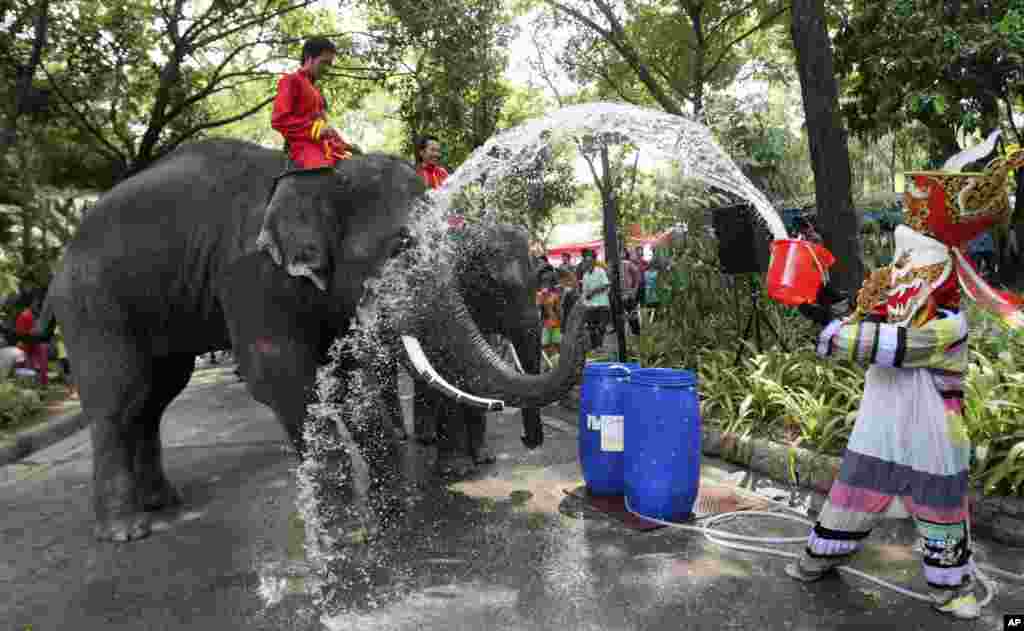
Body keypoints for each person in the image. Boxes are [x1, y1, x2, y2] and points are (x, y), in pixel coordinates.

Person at [787, 155, 1024, 620]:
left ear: (936, 280)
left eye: (910, 271)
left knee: (943, 514)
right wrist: (825, 303)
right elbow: (870, 325)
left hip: (933, 439)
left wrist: (832, 327)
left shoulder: (947, 327)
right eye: (900, 268)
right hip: (880, 432)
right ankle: (816, 560)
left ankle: (951, 588)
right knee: (848, 499)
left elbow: (891, 344)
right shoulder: (895, 313)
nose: (899, 280)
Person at [271, 37, 353, 169]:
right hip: (303, 148)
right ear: (309, 58)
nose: (327, 69)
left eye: (329, 65)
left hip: (327, 147)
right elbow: (279, 120)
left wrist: (345, 144)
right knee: (323, 176)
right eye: (324, 63)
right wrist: (315, 130)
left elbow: (323, 126)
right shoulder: (290, 80)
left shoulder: (317, 92)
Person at [578, 249, 611, 350]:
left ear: (593, 261)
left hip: (602, 304)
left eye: (589, 260)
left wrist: (593, 291)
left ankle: (600, 345)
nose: (587, 262)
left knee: (601, 327)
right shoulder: (585, 275)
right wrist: (583, 302)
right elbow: (584, 292)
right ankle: (595, 348)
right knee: (591, 328)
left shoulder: (600, 271)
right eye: (586, 261)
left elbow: (606, 284)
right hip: (591, 306)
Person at [536, 271, 562, 364]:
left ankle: (556, 363)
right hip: (545, 323)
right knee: (545, 345)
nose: (545, 284)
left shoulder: (555, 296)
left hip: (554, 322)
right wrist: (542, 297)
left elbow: (558, 310)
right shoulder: (539, 295)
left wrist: (561, 322)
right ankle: (551, 363)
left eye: (547, 282)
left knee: (556, 344)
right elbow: (538, 307)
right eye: (544, 282)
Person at [619, 249, 643, 335]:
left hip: (629, 294)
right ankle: (629, 335)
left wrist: (634, 290)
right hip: (620, 295)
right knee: (623, 317)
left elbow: (637, 276)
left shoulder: (627, 264)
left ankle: (636, 333)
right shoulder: (613, 265)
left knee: (632, 315)